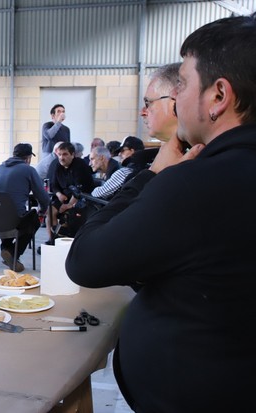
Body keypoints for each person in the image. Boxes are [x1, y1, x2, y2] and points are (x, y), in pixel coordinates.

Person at [66, 13, 256, 412]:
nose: (176, 99)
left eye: (183, 84)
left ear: (219, 96)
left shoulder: (194, 184)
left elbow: (86, 261)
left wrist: (152, 174)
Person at [0, 143, 49, 272]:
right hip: (13, 219)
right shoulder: (28, 169)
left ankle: (6, 250)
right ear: (27, 158)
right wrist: (43, 211)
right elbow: (43, 197)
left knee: (7, 214)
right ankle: (12, 253)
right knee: (33, 221)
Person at [45, 142, 94, 244]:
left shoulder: (79, 165)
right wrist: (59, 194)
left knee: (69, 214)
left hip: (81, 199)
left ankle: (61, 240)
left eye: (65, 154)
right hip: (64, 197)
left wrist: (68, 205)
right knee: (49, 212)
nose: (61, 157)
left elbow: (79, 189)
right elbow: (54, 185)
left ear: (72, 155)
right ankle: (52, 240)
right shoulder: (57, 165)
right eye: (59, 154)